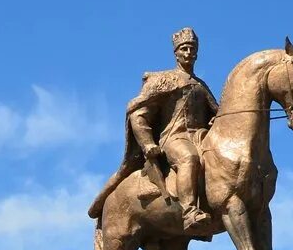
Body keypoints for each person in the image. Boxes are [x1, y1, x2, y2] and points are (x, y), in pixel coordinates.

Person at [89, 27, 220, 232]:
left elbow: (217, 114)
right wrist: (147, 142)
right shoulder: (163, 79)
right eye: (184, 49)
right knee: (189, 158)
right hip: (174, 139)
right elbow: (138, 113)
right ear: (176, 53)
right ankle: (189, 213)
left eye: (192, 49)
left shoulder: (201, 85)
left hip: (201, 138)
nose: (188, 53)